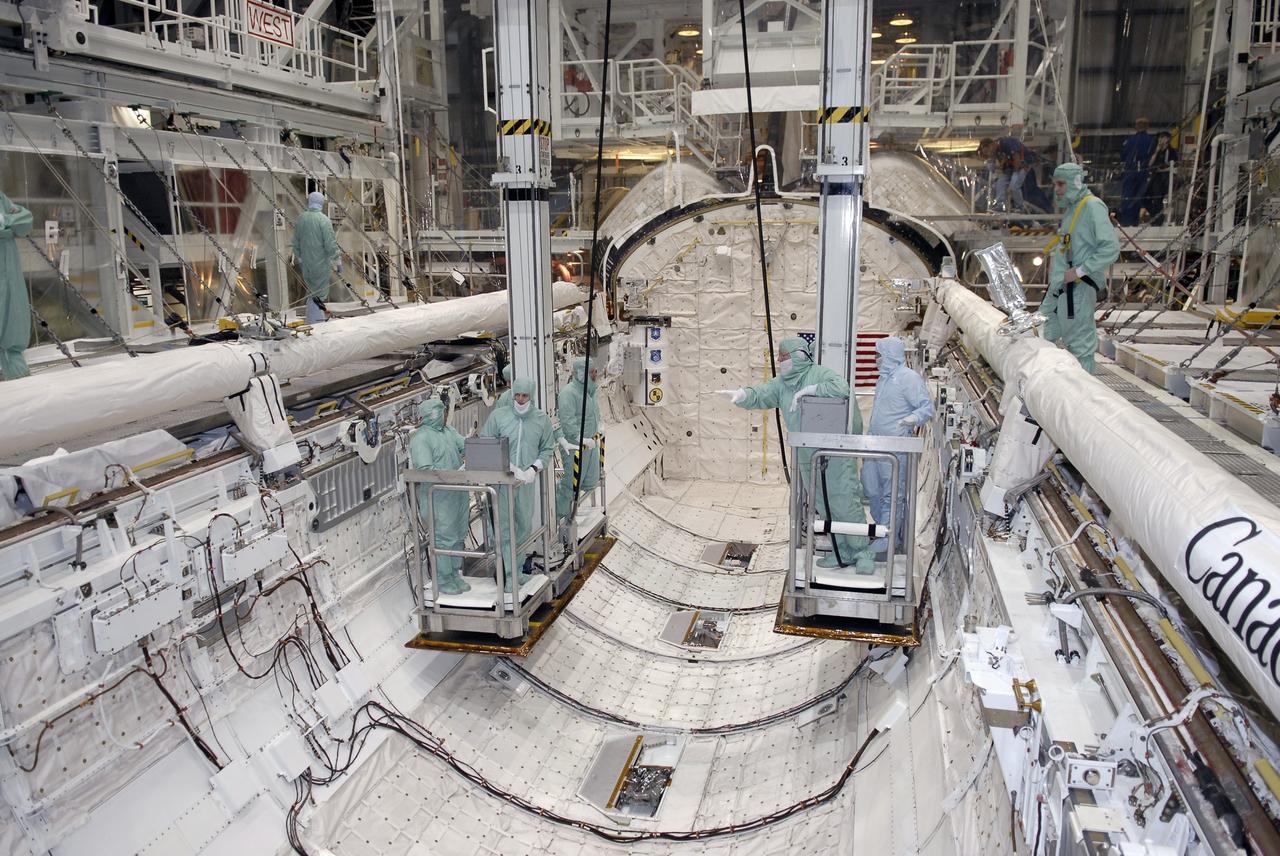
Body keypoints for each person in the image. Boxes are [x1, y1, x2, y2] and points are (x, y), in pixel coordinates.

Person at [719, 337, 875, 572]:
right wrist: (742, 395)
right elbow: (763, 394)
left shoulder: (819, 374)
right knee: (823, 503)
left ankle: (862, 551)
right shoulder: (782, 383)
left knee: (844, 500)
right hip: (807, 453)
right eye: (779, 357)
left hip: (835, 453)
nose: (780, 361)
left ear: (799, 355)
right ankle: (841, 549)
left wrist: (812, 390)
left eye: (784, 357)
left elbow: (841, 388)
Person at [1041, 162, 1121, 373]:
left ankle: (1081, 394)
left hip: (1077, 288)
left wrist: (1079, 272)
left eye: (1061, 184)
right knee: (1042, 330)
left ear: (1075, 183)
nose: (1056, 190)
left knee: (1079, 345)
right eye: (1055, 184)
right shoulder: (1073, 211)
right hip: (1061, 287)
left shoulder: (1092, 207)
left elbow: (1111, 248)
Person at [480, 378, 555, 590]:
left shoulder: (541, 420)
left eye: (525, 396)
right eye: (517, 395)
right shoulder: (499, 416)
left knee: (523, 525)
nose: (520, 400)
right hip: (502, 483)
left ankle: (518, 570)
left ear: (531, 396)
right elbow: (487, 443)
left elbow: (547, 448)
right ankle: (507, 575)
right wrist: (507, 465)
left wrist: (534, 468)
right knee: (503, 528)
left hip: (525, 484)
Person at [862, 337, 934, 553]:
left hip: (895, 447)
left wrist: (912, 419)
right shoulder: (883, 379)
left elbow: (926, 408)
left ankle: (888, 538)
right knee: (871, 488)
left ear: (890, 355)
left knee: (892, 494)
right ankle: (884, 531)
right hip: (874, 443)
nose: (876, 359)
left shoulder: (909, 378)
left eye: (879, 355)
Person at [409, 398, 470, 595]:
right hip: (439, 498)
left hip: (457, 494)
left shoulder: (448, 431)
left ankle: (454, 573)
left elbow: (464, 446)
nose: (444, 416)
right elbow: (425, 470)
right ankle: (443, 580)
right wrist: (450, 474)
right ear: (431, 415)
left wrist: (477, 446)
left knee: (459, 534)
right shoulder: (421, 438)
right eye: (441, 412)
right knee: (444, 538)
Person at [555, 356, 600, 522]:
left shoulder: (589, 391)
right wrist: (580, 438)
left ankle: (572, 514)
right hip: (575, 446)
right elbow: (567, 422)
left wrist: (598, 429)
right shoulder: (568, 393)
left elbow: (592, 414)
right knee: (571, 484)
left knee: (589, 481)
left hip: (590, 444)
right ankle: (559, 518)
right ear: (581, 373)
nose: (596, 374)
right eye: (592, 372)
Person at [291, 191, 342, 325]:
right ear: (321, 202)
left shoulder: (301, 218)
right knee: (319, 294)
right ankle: (316, 323)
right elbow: (330, 243)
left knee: (312, 292)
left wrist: (300, 258)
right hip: (320, 263)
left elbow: (295, 241)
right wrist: (337, 260)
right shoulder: (323, 220)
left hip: (306, 264)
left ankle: (312, 320)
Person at [0, 191, 34, 380]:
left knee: (12, 317)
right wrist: (8, 223)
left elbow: (24, 220)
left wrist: (5, 220)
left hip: (9, 273)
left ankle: (15, 375)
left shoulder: (1, 199)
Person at [979, 136, 1046, 212]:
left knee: (1014, 185)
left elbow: (1016, 157)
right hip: (1010, 167)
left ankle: (1020, 207)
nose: (989, 154)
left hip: (1022, 164)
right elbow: (999, 163)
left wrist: (1015, 174)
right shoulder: (997, 150)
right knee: (1000, 183)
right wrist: (992, 164)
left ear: (991, 145)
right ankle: (1000, 205)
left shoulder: (1006, 143)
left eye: (988, 151)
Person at [1119, 118, 1156, 226]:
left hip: (1131, 170)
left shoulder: (1130, 140)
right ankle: (1135, 221)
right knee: (1139, 196)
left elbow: (1123, 155)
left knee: (1128, 196)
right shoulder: (1151, 141)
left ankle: (1127, 221)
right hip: (1143, 171)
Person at [1144, 131, 1177, 224]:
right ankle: (1155, 215)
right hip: (1155, 176)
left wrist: (1163, 169)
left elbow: (1173, 165)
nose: (1160, 139)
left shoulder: (1171, 151)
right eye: (1159, 138)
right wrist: (1157, 151)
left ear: (1167, 139)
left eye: (1162, 137)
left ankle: (1157, 220)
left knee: (1158, 198)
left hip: (1164, 176)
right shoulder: (1156, 151)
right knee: (1144, 196)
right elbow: (1150, 164)